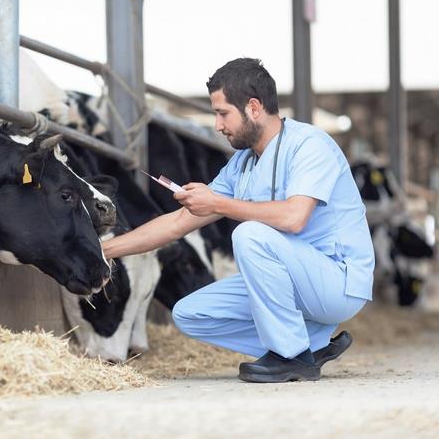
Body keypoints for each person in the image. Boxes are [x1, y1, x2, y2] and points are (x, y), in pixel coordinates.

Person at [101, 58, 374, 383]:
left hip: (337, 283)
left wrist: (217, 202)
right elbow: (176, 223)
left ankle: (290, 355)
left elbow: (293, 217)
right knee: (190, 315)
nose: (217, 125)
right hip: (292, 282)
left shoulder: (309, 145)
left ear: (254, 107)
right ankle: (308, 346)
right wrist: (103, 251)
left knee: (250, 235)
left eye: (222, 113)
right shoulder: (242, 164)